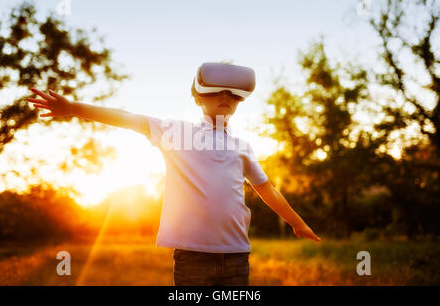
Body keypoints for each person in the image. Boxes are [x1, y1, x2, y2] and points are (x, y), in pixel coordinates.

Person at [27, 62, 321, 286]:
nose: (225, 97)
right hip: (192, 257)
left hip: (236, 256)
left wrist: (298, 223)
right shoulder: (176, 132)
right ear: (198, 98)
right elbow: (128, 119)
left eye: (232, 94)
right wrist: (74, 108)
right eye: (217, 91)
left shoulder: (241, 147)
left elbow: (266, 188)